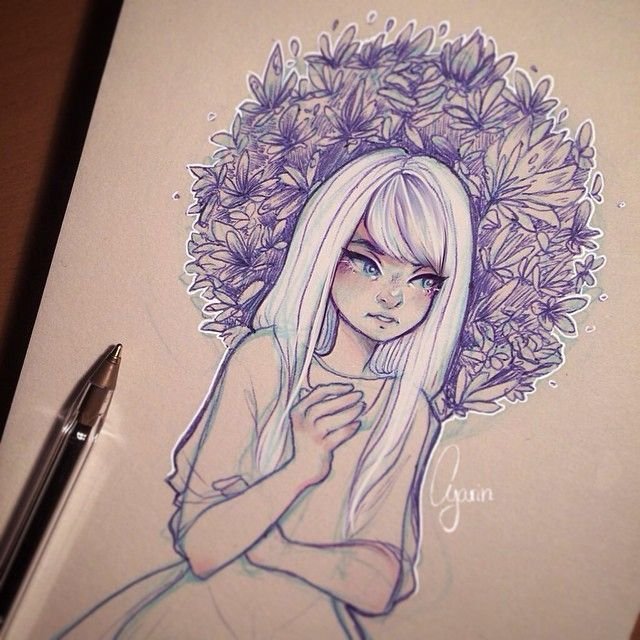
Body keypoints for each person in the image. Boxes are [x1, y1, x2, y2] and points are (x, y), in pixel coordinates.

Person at [57, 148, 473, 639]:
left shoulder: (407, 411)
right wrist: (301, 468)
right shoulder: (267, 363)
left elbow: (378, 585)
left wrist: (273, 547)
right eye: (367, 264)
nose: (392, 296)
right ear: (326, 250)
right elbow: (202, 546)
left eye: (422, 279)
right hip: (205, 618)